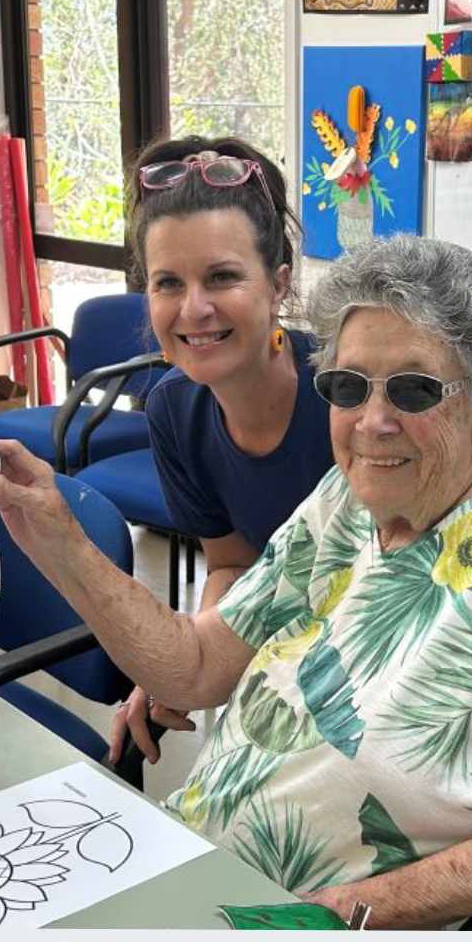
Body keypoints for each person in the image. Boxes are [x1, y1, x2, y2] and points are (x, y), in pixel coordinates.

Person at [0, 236, 472, 929]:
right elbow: (196, 669)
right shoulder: (348, 500)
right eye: (347, 387)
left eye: (414, 389)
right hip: (197, 878)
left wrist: (345, 916)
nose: (373, 423)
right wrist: (57, 538)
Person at [110, 136, 334, 764]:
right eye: (167, 284)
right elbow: (233, 566)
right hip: (278, 646)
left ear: (279, 284)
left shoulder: (348, 394)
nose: (194, 309)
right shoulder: (174, 411)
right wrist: (183, 661)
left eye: (223, 277)